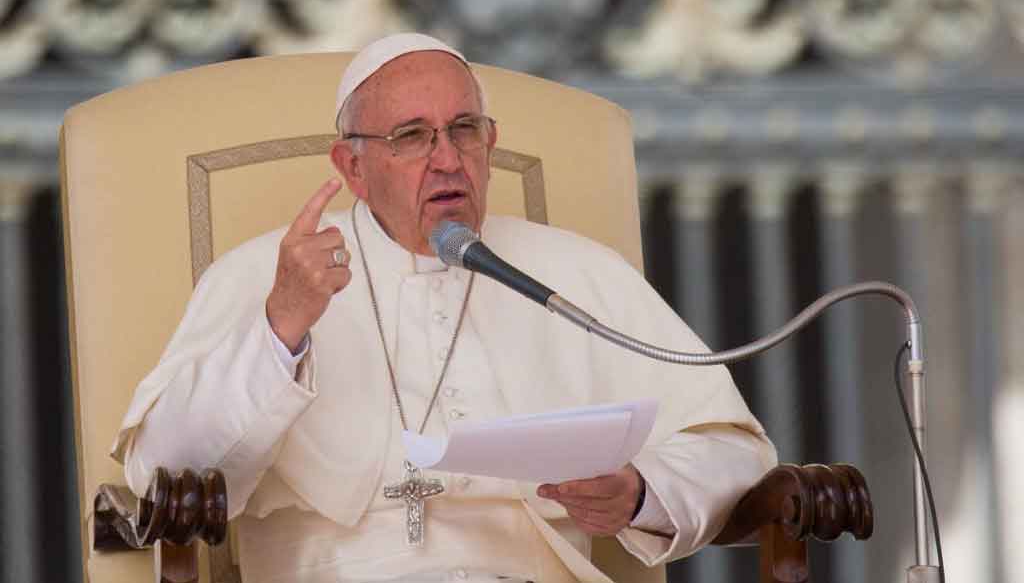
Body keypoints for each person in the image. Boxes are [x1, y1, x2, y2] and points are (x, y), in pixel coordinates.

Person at [114, 33, 775, 583]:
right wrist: (279, 326)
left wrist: (643, 491)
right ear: (352, 167)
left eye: (464, 130)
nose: (448, 160)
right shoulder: (268, 273)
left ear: (491, 143)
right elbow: (166, 474)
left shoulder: (577, 273)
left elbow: (729, 448)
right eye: (411, 136)